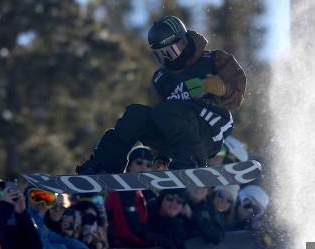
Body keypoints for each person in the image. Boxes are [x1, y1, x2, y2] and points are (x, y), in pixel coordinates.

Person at [76, 15, 246, 174]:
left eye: (172, 51)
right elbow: (159, 117)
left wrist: (224, 89)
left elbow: (237, 96)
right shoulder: (162, 79)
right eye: (161, 55)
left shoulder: (213, 60)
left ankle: (191, 160)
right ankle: (104, 164)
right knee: (136, 114)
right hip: (177, 137)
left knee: (169, 109)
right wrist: (161, 156)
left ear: (184, 42)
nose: (169, 59)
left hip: (207, 133)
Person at [25, 186, 94, 249]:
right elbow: (39, 245)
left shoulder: (42, 223)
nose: (42, 202)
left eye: (48, 198)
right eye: (36, 196)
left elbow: (57, 239)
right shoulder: (23, 219)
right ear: (27, 199)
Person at [105, 146, 157, 248]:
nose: (143, 168)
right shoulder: (118, 191)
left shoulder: (149, 194)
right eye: (139, 163)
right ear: (129, 166)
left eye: (148, 165)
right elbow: (113, 222)